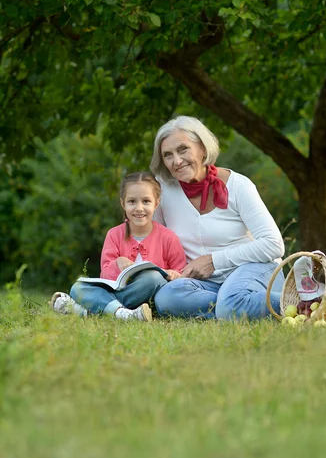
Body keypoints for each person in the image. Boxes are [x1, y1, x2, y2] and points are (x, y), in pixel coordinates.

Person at [150, 116, 285, 320]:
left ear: (202, 149)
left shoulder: (239, 185)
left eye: (183, 149)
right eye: (168, 155)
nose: (176, 161)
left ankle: (306, 301)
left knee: (230, 303)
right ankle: (236, 306)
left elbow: (274, 245)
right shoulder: (162, 190)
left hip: (253, 269)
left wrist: (213, 261)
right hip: (204, 284)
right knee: (166, 299)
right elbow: (153, 240)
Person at [49, 172, 186, 322]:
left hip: (149, 295)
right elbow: (105, 276)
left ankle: (94, 311)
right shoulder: (114, 234)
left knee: (153, 278)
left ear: (156, 203)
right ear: (123, 204)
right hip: (118, 290)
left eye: (146, 201)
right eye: (132, 201)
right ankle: (124, 314)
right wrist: (117, 263)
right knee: (78, 288)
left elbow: (181, 276)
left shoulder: (168, 237)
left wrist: (171, 274)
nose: (139, 208)